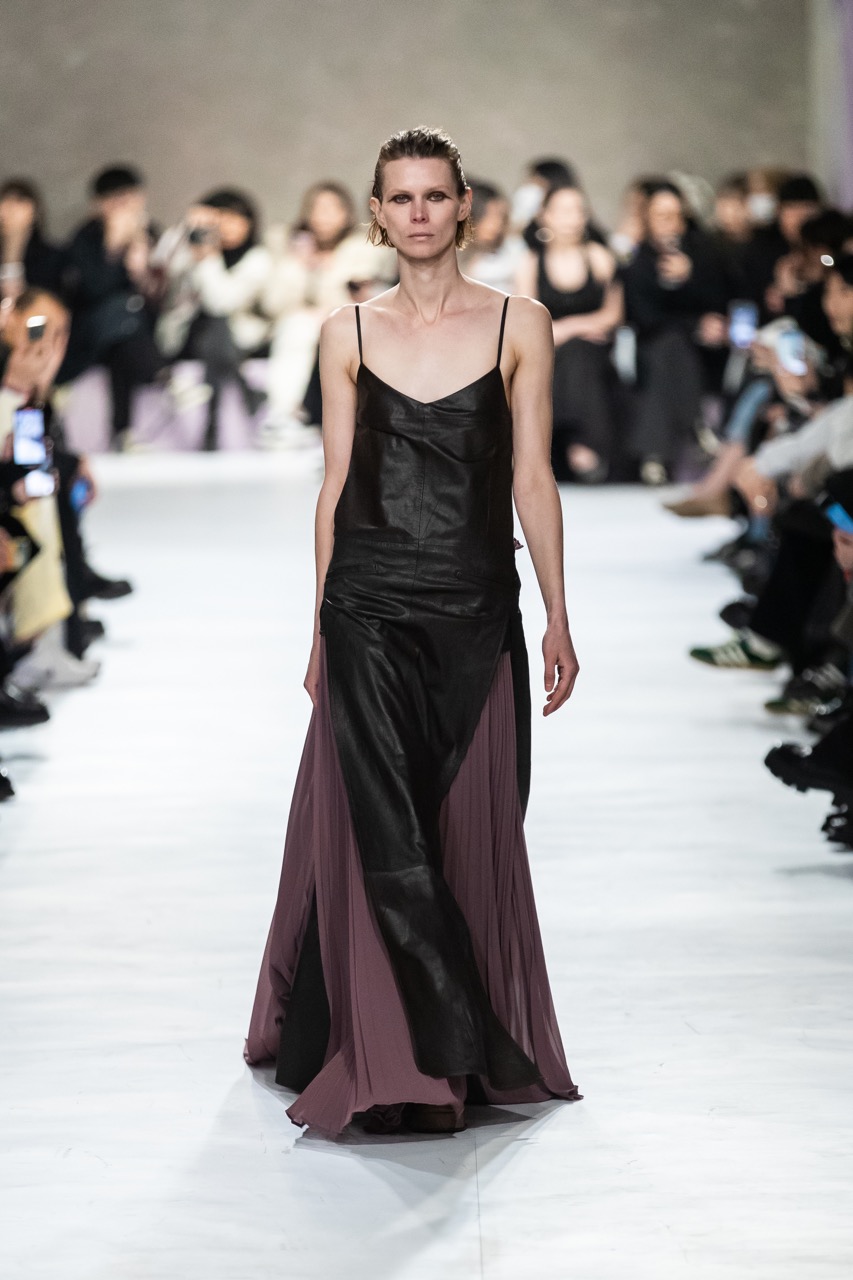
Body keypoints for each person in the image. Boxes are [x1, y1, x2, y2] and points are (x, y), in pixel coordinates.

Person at [245, 126, 582, 1138]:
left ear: (463, 205)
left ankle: (444, 1039)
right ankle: (418, 1051)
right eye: (402, 197)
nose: (420, 212)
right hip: (367, 607)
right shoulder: (346, 330)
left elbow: (532, 477)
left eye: (436, 195)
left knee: (468, 827)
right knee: (382, 832)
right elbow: (335, 486)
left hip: (476, 606)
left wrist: (558, 612)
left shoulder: (521, 323)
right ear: (378, 213)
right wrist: (319, 624)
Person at [262, 181, 395, 444]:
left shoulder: (364, 248)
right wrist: (299, 265)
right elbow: (273, 304)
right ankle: (284, 414)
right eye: (316, 209)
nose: (322, 216)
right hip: (300, 327)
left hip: (350, 327)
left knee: (312, 327)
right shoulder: (294, 250)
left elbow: (361, 296)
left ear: (346, 213)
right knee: (297, 327)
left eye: (331, 209)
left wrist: (326, 281)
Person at [621, 180, 730, 484]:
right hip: (654, 347)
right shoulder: (637, 260)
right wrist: (693, 326)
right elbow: (644, 318)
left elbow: (721, 300)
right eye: (663, 216)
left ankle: (654, 455)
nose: (671, 224)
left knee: (672, 350)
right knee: (670, 346)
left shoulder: (702, 254)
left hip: (702, 351)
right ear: (647, 218)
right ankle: (695, 424)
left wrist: (691, 276)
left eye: (676, 216)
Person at [516, 182, 622, 481]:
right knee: (562, 358)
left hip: (593, 351)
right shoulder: (531, 262)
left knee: (579, 353)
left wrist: (568, 328)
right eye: (564, 211)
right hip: (546, 349)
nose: (573, 218)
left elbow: (614, 314)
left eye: (578, 211)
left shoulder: (599, 257)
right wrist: (558, 333)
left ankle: (578, 444)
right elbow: (525, 317)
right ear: (545, 216)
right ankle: (578, 446)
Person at [155, 188, 272, 450]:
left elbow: (220, 303)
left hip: (237, 339)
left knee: (217, 328)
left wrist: (208, 258)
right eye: (221, 218)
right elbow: (162, 265)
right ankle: (246, 392)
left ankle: (211, 428)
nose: (228, 226)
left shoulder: (257, 259)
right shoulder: (194, 248)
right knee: (214, 334)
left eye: (236, 219)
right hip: (186, 335)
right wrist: (186, 229)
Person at [59, 165, 164, 448]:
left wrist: (142, 271)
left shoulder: (151, 234)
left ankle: (123, 432)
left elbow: (158, 299)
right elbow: (91, 291)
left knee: (126, 340)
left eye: (129, 198)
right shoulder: (85, 237)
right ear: (98, 205)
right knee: (122, 308)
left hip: (134, 336)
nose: (124, 208)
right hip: (92, 332)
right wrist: (113, 247)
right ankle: (161, 375)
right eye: (115, 200)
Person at [464, 181, 526, 295]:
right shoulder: (452, 252)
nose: (497, 223)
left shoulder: (512, 249)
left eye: (501, 217)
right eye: (489, 216)